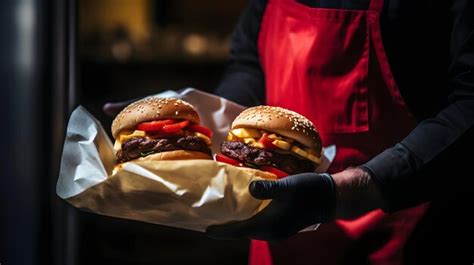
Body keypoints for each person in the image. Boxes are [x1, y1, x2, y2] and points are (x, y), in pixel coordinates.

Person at [104, 0, 474, 264]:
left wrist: (349, 192)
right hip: (273, 229)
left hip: (404, 231)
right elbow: (249, 62)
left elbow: (469, 105)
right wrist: (202, 120)